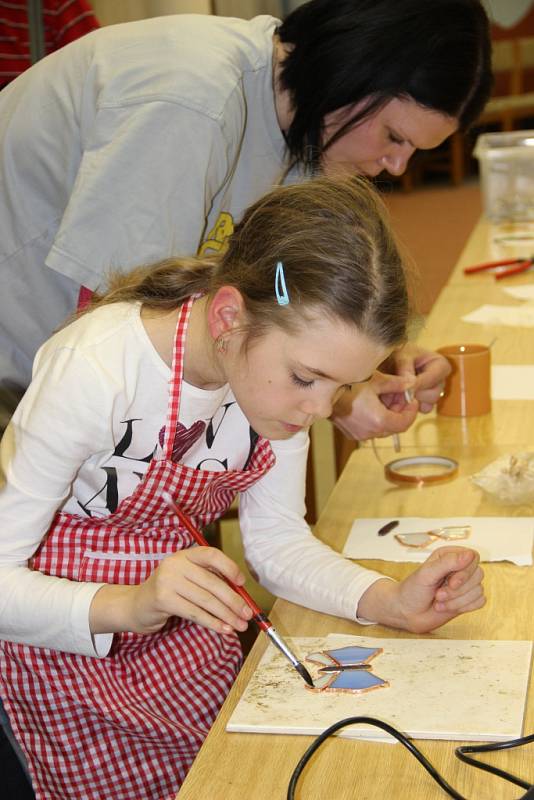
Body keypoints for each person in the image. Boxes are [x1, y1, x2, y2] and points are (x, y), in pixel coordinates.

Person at [0, 177, 485, 799]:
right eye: (307, 378)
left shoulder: (270, 384)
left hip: (182, 638)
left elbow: (277, 543)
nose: (319, 409)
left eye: (340, 387)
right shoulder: (98, 369)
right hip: (64, 651)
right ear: (229, 317)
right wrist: (131, 605)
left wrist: (387, 600)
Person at [0, 0, 493, 436]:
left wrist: (364, 364)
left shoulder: (306, 135)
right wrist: (334, 395)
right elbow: (133, 336)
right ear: (353, 73)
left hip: (55, 377)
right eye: (394, 137)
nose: (398, 167)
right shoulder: (194, 99)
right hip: (24, 373)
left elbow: (277, 286)